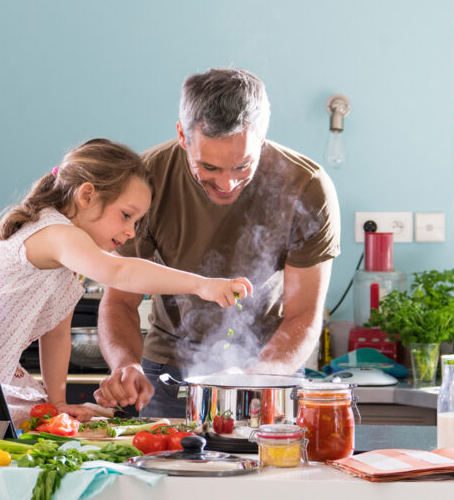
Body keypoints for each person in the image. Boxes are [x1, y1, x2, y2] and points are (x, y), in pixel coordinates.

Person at [0, 138, 251, 425]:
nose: (131, 232)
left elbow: (55, 335)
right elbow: (120, 272)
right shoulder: (57, 233)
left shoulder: (68, 264)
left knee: (23, 415)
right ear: (87, 195)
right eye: (126, 215)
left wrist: (57, 400)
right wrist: (204, 285)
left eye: (138, 222)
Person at [94, 68, 340, 418]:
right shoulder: (146, 180)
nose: (226, 184)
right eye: (208, 167)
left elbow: (303, 316)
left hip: (269, 369)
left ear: (262, 137)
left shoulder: (307, 186)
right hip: (167, 372)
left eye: (243, 166)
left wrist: (254, 380)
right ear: (182, 135)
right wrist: (125, 365)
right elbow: (119, 300)